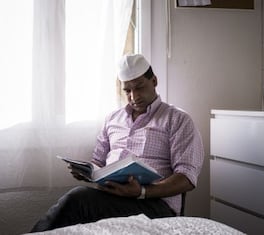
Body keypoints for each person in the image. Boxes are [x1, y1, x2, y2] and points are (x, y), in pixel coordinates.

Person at [30, 54, 204, 232]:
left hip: (155, 204)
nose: (134, 96)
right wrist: (87, 172)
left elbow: (187, 178)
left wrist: (142, 192)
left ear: (154, 81)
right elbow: (97, 161)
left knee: (77, 200)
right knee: (77, 204)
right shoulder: (112, 119)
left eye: (139, 87)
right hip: (112, 197)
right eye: (127, 91)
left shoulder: (177, 120)